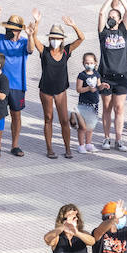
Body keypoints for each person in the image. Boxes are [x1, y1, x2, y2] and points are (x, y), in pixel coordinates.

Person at [31, 16, 84, 159]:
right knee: (48, 118)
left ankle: (67, 148)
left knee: (64, 120)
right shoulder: (44, 51)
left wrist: (74, 25)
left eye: (58, 38)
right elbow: (34, 38)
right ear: (49, 39)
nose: (55, 41)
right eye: (52, 38)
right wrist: (37, 22)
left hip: (61, 90)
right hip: (45, 90)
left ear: (62, 40)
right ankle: (49, 148)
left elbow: (81, 38)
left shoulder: (66, 51)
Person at [0, 9, 32, 157]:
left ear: (18, 31)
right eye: (8, 28)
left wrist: (30, 35)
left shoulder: (24, 42)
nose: (9, 31)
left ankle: (15, 145)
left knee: (16, 115)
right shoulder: (0, 39)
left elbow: (31, 49)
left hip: (17, 85)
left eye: (13, 29)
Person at [95, 0, 127, 149]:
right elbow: (100, 12)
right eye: (110, 17)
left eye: (114, 17)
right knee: (107, 107)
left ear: (119, 20)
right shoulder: (103, 33)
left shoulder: (123, 31)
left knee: (119, 108)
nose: (111, 18)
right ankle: (106, 138)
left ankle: (119, 139)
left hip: (121, 76)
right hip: (105, 75)